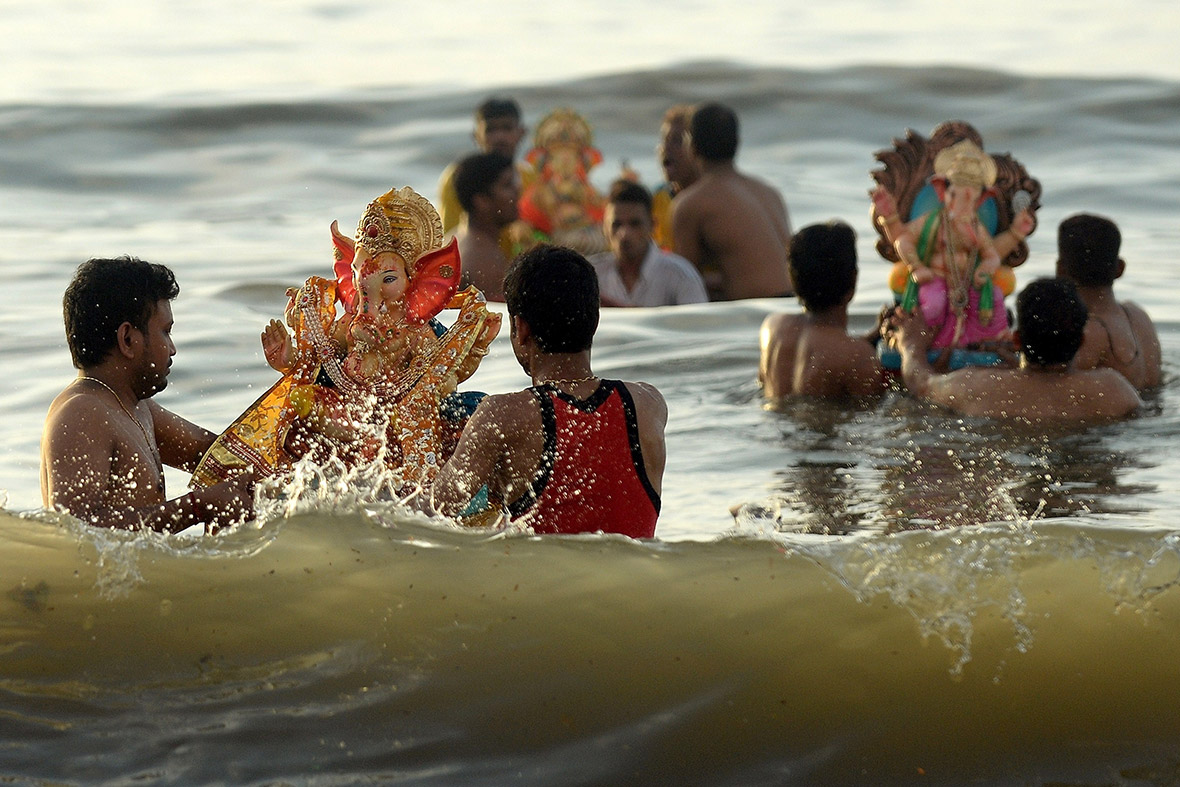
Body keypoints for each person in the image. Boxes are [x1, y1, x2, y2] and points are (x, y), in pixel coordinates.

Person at [431, 244, 667, 538]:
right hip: (641, 580)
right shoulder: (648, 406)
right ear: (594, 321)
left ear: (520, 329)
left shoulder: (502, 417)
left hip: (544, 583)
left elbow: (429, 512)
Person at [41, 256, 254, 532]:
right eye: (166, 332)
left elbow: (217, 455)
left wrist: (300, 409)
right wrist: (197, 506)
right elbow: (75, 530)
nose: (173, 348)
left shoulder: (136, 407)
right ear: (128, 339)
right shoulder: (82, 412)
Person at [893, 277, 1141, 422]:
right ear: (1082, 340)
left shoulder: (976, 386)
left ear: (1017, 340)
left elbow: (921, 383)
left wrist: (910, 345)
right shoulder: (1113, 392)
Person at [671, 102, 793, 301]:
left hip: (754, 314)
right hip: (796, 305)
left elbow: (685, 285)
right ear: (737, 142)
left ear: (692, 146)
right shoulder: (770, 192)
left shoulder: (690, 204)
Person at [759, 221, 886, 398]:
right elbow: (876, 411)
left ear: (792, 278)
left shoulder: (773, 328)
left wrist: (872, 337)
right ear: (854, 279)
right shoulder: (858, 357)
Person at [1056, 213, 1161, 390]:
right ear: (1119, 268)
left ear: (1061, 269)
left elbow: (1052, 391)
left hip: (1119, 417)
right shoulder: (1139, 316)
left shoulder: (1087, 333)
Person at [588, 179, 707, 307]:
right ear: (604, 228)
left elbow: (699, 325)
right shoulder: (590, 276)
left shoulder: (681, 276)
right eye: (617, 225)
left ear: (652, 226)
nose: (624, 234)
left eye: (635, 224)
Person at [437, 96, 531, 257]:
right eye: (491, 130)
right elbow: (450, 239)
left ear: (521, 133)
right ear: (476, 136)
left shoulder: (532, 177)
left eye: (507, 128)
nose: (499, 137)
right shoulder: (458, 178)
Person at [454, 151, 520, 302]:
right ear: (481, 201)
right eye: (507, 185)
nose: (517, 190)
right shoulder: (485, 263)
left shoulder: (458, 238)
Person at [651, 104, 701, 250]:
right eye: (664, 140)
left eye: (677, 140)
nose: (666, 148)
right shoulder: (658, 198)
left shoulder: (711, 201)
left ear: (698, 149)